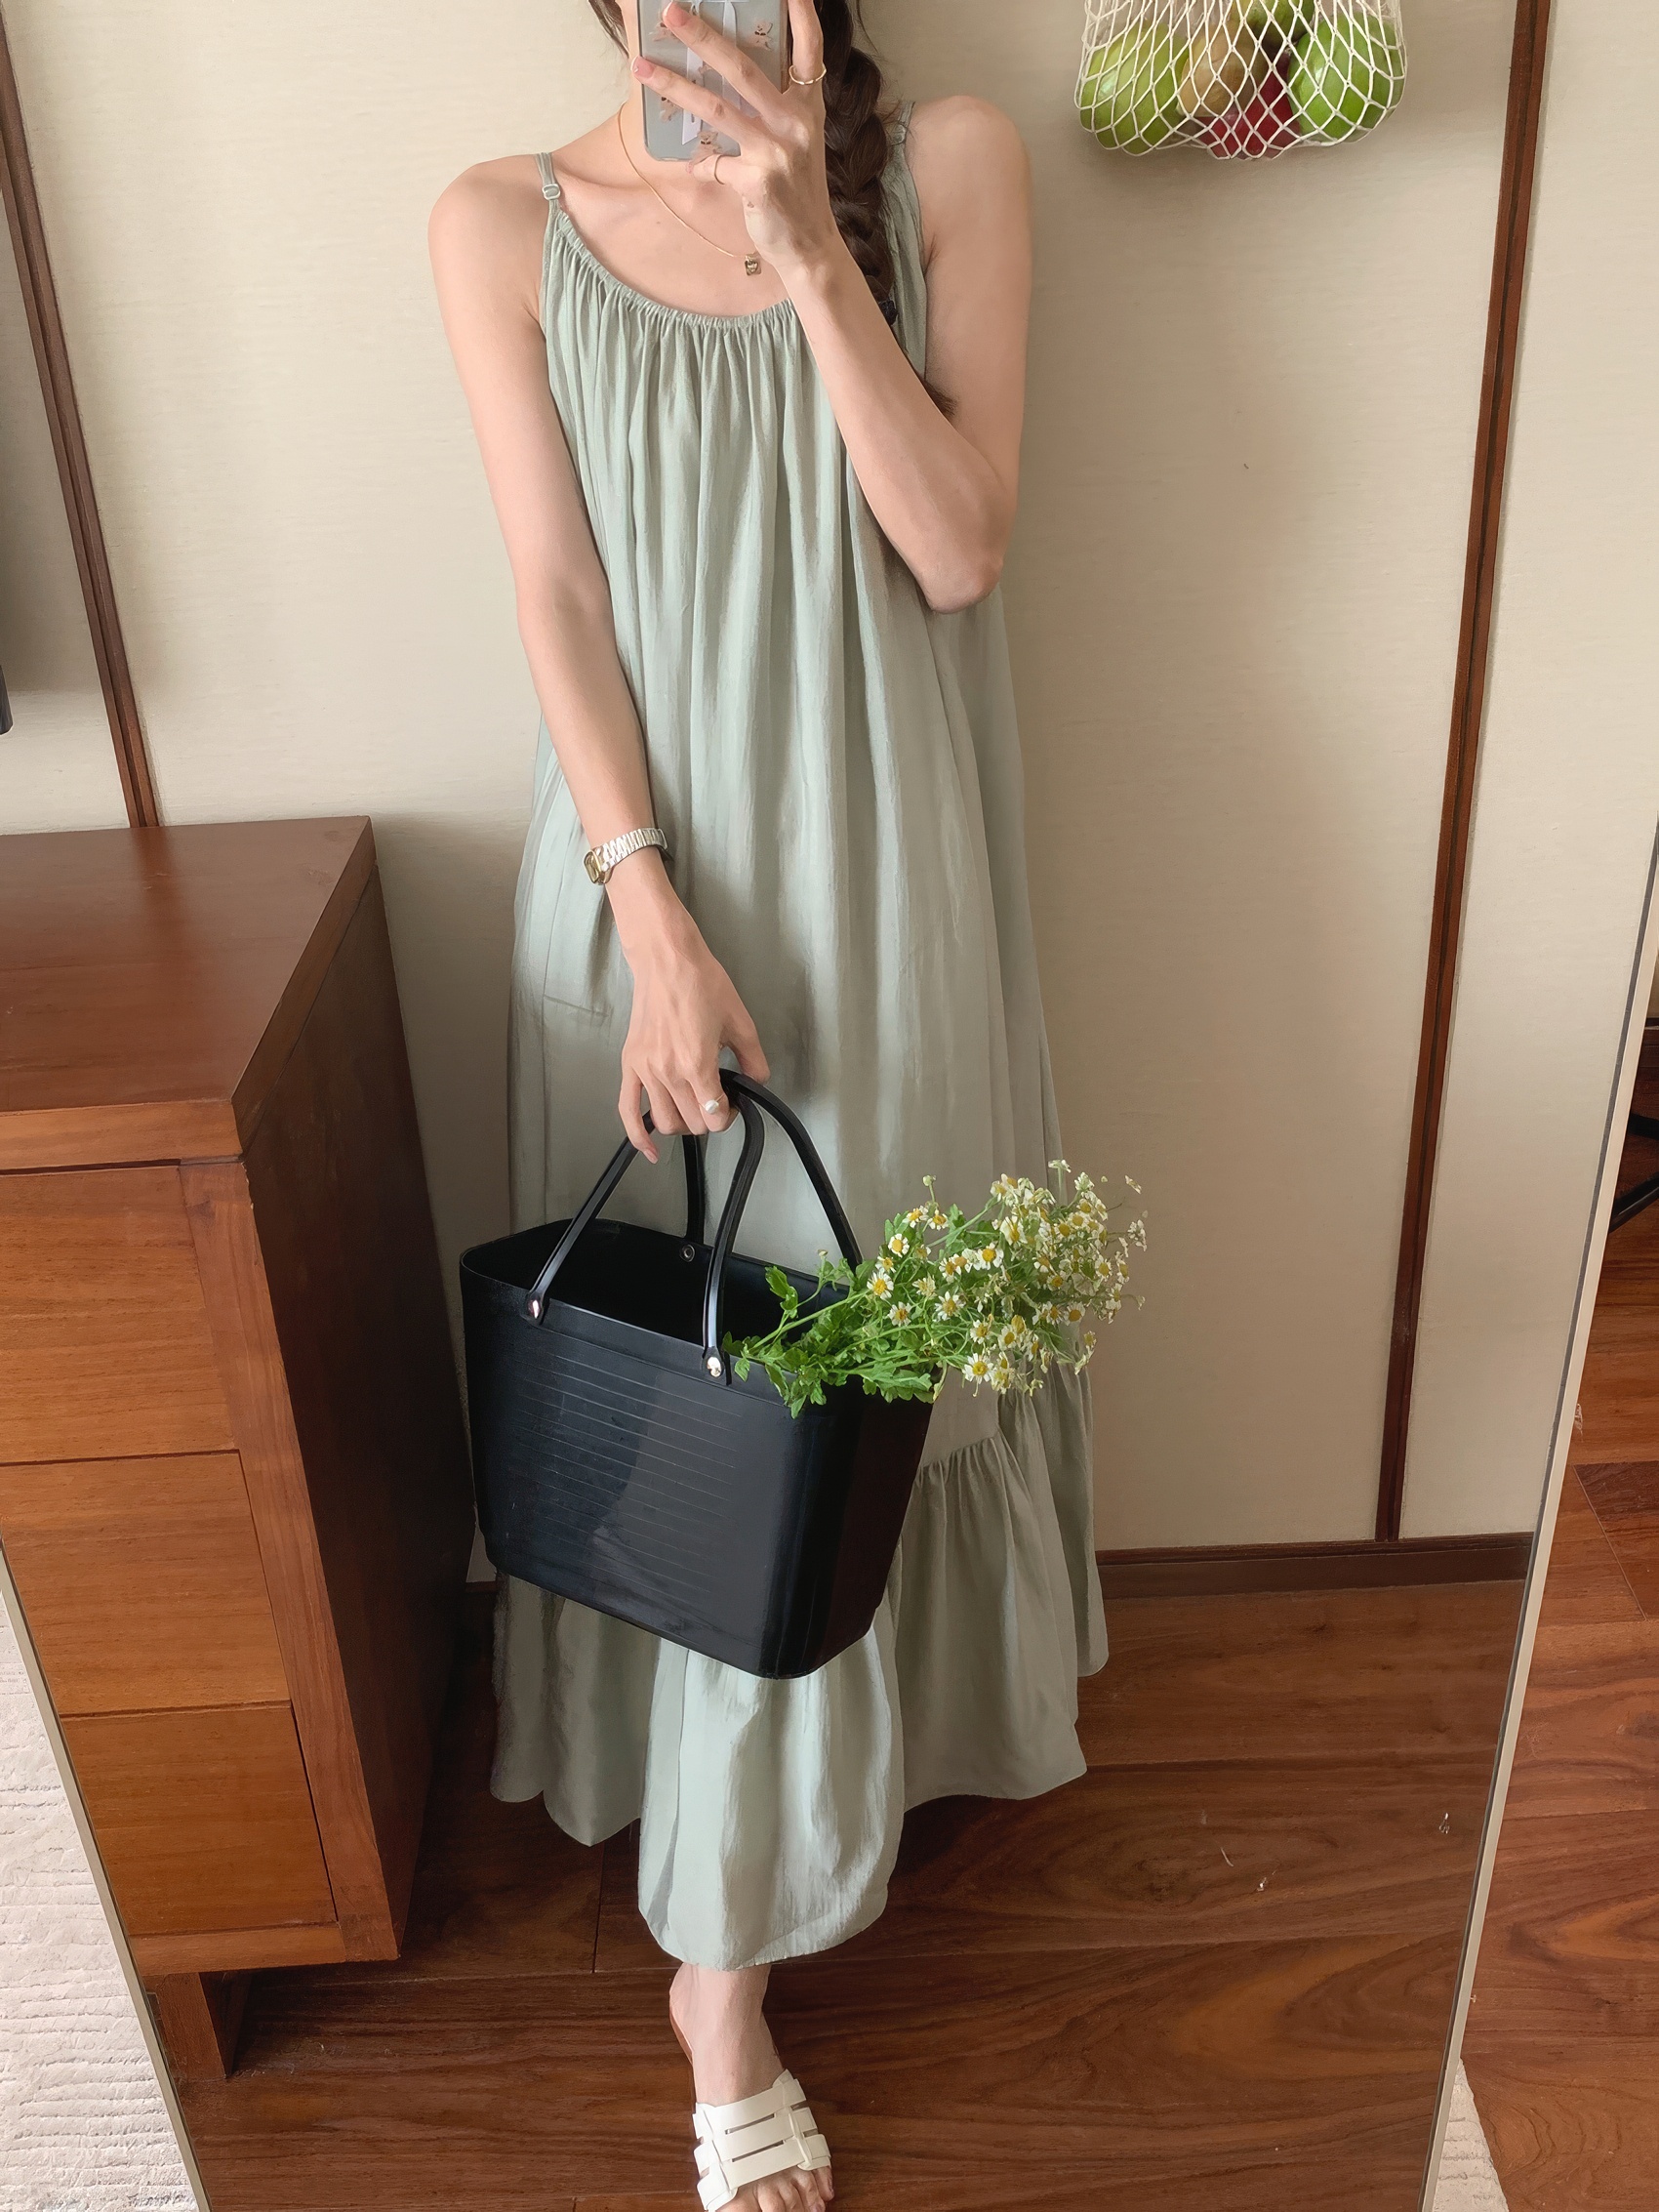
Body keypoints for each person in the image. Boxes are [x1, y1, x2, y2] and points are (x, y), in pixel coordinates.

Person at [430, 4, 1107, 2205]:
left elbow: (961, 549)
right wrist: (645, 909)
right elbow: (555, 592)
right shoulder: (501, 224)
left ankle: (795, 1855)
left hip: (893, 894)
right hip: (649, 897)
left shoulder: (948, 167)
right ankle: (717, 1991)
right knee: (699, 1408)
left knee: (847, 1393)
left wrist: (811, 247)